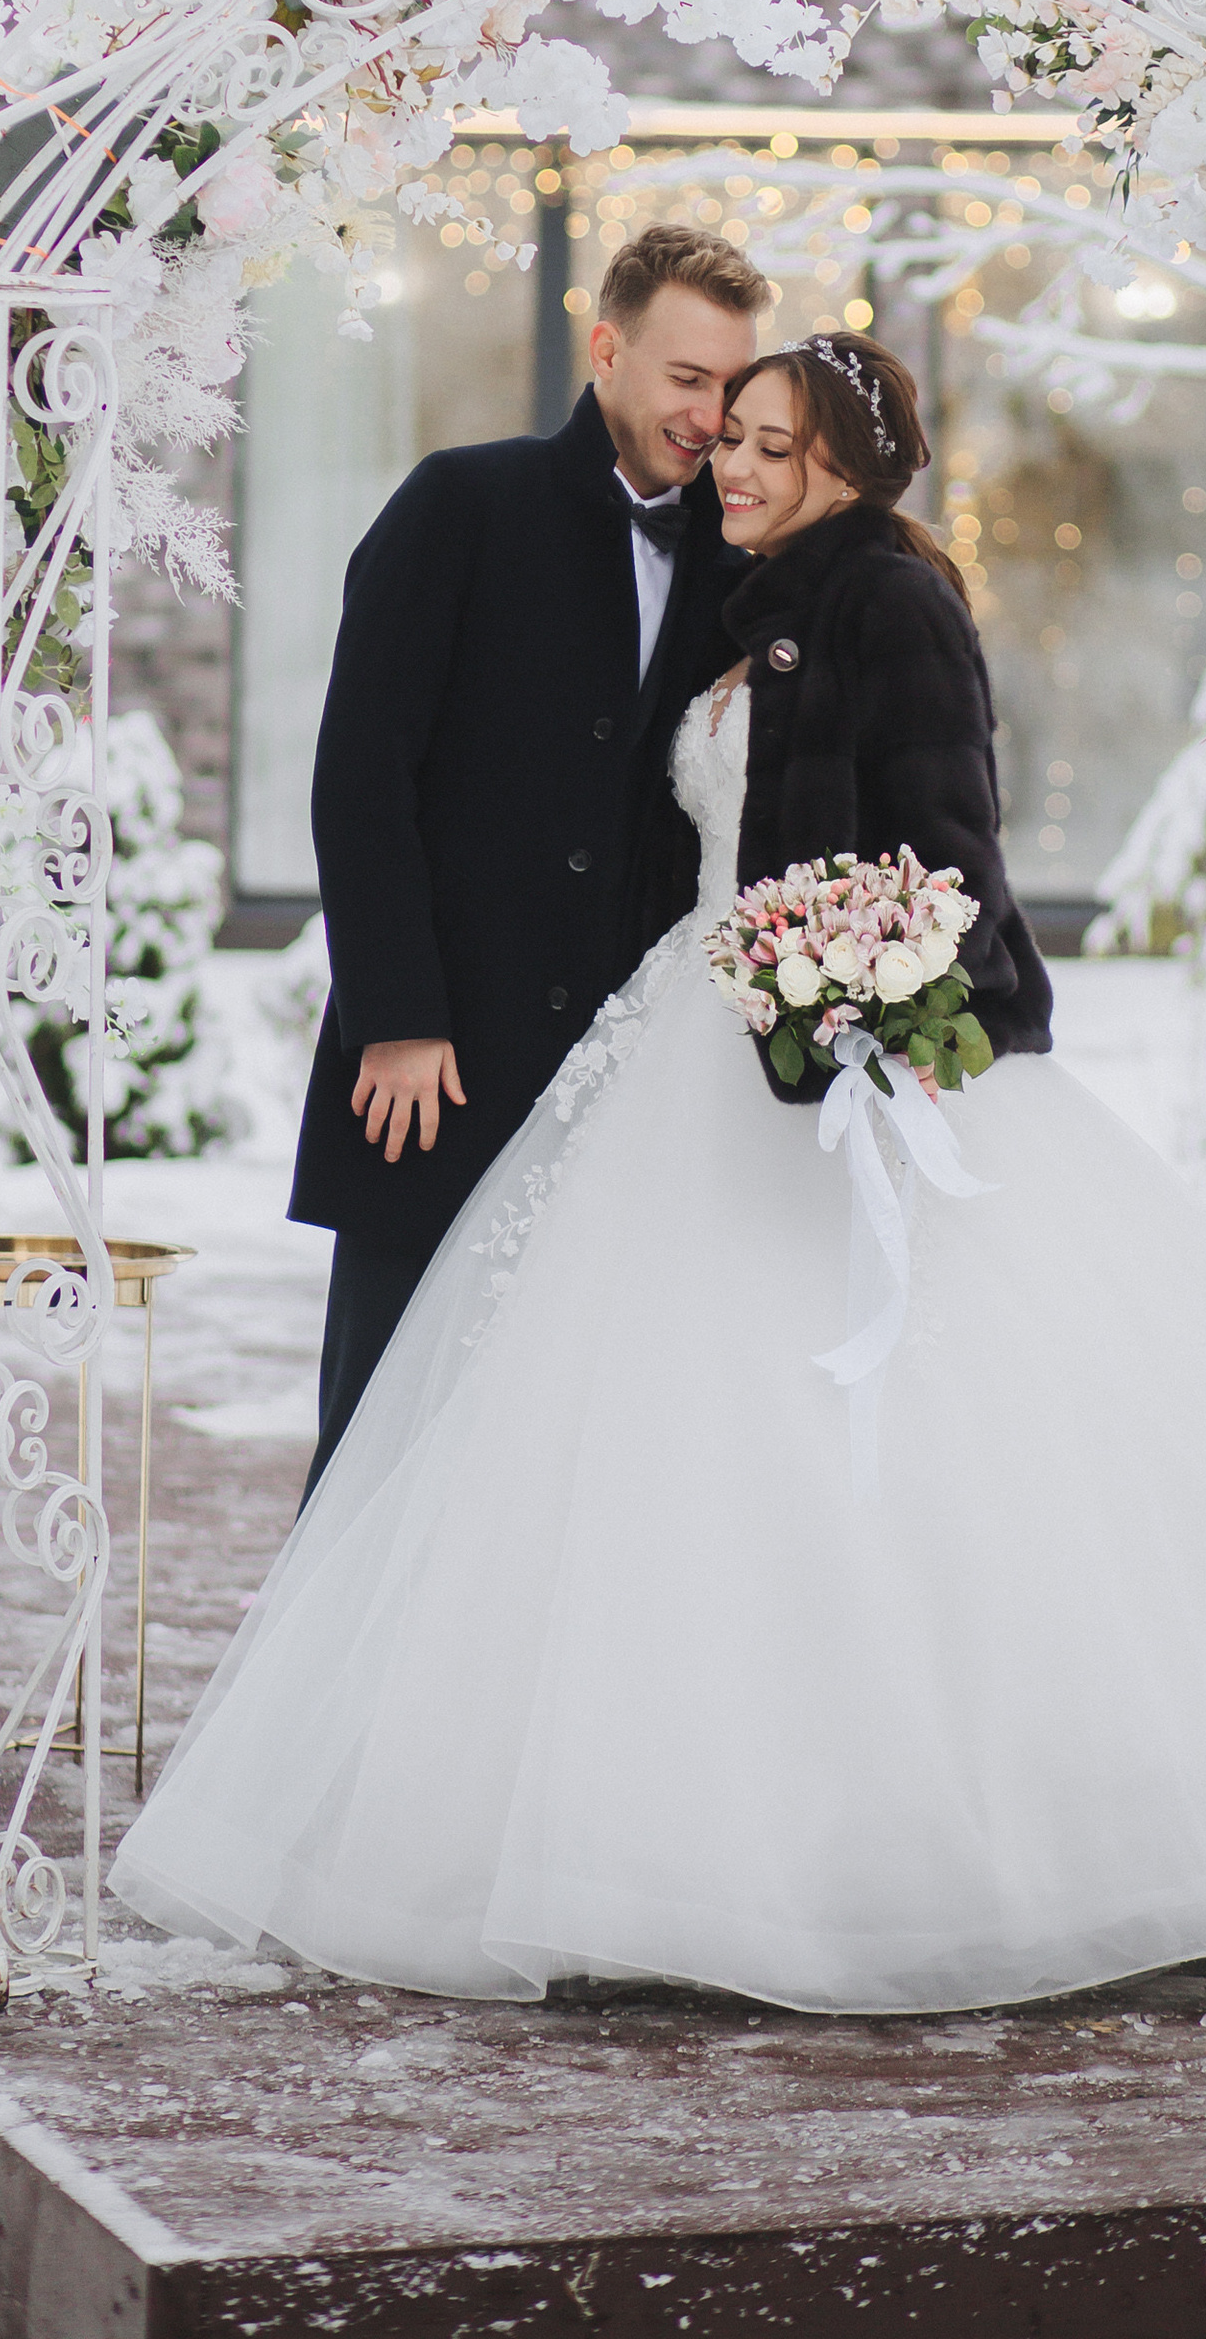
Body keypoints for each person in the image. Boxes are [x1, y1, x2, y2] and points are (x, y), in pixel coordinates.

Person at [115, 333, 1206, 2011]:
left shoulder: (889, 601)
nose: (738, 464)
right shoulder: (758, 595)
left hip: (840, 1053)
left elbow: (952, 853)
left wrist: (865, 986)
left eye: (776, 444)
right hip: (701, 1051)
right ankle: (679, 1819)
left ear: (853, 461)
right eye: (735, 439)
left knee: (912, 1439)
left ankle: (945, 1833)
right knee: (674, 1443)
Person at [287, 224, 766, 1485]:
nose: (710, 415)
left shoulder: (742, 565)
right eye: (685, 378)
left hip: (619, 1096)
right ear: (606, 349)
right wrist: (396, 1017)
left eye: (730, 384)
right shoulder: (460, 503)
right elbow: (358, 779)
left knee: (559, 1477)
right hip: (436, 1074)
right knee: (381, 1453)